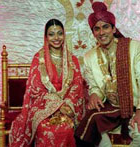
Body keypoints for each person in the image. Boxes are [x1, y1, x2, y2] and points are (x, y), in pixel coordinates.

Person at [75, 2, 140, 147]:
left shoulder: (134, 48)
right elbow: (95, 86)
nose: (101, 32)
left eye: (105, 27)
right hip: (110, 108)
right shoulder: (89, 57)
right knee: (91, 132)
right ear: (93, 33)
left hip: (136, 106)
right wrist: (94, 94)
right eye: (96, 29)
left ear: (113, 28)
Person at [9, 19, 85, 147]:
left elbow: (77, 88)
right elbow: (36, 90)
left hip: (68, 107)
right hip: (43, 108)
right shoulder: (38, 59)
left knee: (66, 128)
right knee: (45, 130)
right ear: (46, 37)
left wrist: (66, 106)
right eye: (51, 34)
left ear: (64, 35)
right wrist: (57, 106)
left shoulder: (72, 60)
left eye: (60, 33)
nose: (56, 38)